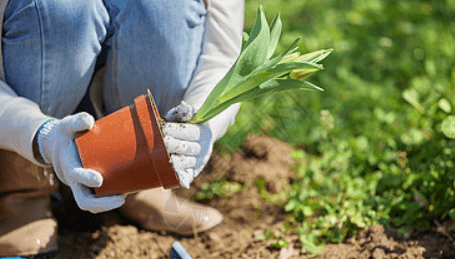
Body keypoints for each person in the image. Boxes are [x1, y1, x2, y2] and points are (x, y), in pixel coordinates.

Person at [0, 0, 244, 257]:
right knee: (63, 9)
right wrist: (41, 135)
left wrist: (203, 122)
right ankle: (22, 192)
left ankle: (137, 179)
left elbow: (223, 55)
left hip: (120, 100)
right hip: (32, 86)